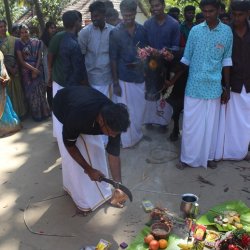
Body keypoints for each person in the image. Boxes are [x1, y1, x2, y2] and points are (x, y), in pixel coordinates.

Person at [53, 86, 130, 212]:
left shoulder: (115, 119)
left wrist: (118, 186)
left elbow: (114, 154)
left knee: (96, 152)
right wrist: (88, 169)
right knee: (75, 164)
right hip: (61, 105)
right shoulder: (77, 117)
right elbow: (70, 146)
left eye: (116, 133)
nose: (114, 136)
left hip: (80, 98)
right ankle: (82, 201)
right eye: (110, 132)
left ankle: (98, 194)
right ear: (101, 120)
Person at [178, 0, 233, 169]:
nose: (207, 15)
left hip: (213, 87)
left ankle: (208, 157)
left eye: (211, 11)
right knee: (190, 126)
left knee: (210, 126)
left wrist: (227, 88)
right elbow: (186, 58)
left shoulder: (226, 32)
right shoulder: (195, 31)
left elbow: (226, 61)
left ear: (218, 10)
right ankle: (187, 159)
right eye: (205, 11)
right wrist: (171, 81)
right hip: (194, 86)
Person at [109, 0, 147, 148]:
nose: (128, 18)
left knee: (140, 110)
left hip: (140, 77)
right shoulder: (115, 32)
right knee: (126, 112)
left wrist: (143, 64)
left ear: (135, 13)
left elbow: (147, 52)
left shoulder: (142, 30)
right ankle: (126, 141)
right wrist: (116, 82)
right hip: (123, 78)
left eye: (130, 15)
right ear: (121, 14)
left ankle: (137, 135)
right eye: (125, 15)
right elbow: (112, 58)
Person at [215, 0, 250, 161]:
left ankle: (242, 151)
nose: (236, 18)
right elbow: (220, 59)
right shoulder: (225, 32)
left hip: (248, 83)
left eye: (240, 15)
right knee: (229, 122)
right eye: (233, 15)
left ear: (248, 14)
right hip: (231, 83)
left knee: (246, 122)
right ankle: (227, 152)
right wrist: (224, 86)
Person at [143, 0, 180, 133]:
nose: (155, 8)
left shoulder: (174, 24)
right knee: (150, 93)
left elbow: (176, 46)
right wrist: (147, 51)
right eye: (152, 6)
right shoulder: (147, 24)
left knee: (165, 93)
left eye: (157, 5)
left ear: (164, 6)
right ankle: (149, 120)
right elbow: (143, 45)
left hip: (166, 65)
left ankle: (163, 122)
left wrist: (165, 51)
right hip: (151, 65)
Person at [48, 10, 86, 138]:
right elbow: (50, 56)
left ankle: (64, 137)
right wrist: (50, 74)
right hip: (60, 82)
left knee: (65, 112)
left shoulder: (76, 37)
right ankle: (62, 138)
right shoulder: (59, 37)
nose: (81, 23)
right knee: (61, 112)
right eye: (80, 21)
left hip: (70, 83)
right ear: (76, 23)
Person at [78, 1, 114, 97]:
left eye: (97, 16)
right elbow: (80, 57)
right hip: (92, 79)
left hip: (109, 78)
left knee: (109, 108)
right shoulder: (85, 32)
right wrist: (84, 81)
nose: (94, 19)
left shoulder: (113, 31)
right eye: (92, 16)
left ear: (104, 15)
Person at [15, 24, 50, 122]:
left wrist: (36, 68)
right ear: (19, 33)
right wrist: (33, 70)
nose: (24, 34)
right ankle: (36, 114)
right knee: (31, 94)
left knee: (41, 92)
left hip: (38, 69)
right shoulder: (18, 43)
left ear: (29, 31)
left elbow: (39, 56)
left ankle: (45, 112)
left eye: (26, 31)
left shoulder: (36, 42)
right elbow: (21, 61)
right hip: (26, 72)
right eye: (22, 32)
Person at [0, 20, 27, 119]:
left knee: (18, 91)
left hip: (16, 68)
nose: (3, 28)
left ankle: (21, 113)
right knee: (8, 93)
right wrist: (8, 68)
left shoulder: (15, 40)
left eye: (4, 26)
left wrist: (15, 67)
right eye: (0, 27)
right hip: (4, 71)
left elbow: (20, 54)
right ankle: (12, 116)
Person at [0, 51, 21, 137]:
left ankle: (9, 126)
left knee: (4, 104)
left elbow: (3, 66)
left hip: (2, 84)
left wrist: (6, 77)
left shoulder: (0, 52)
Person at [40, 21, 57, 110]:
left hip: (56, 63)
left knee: (56, 84)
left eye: (54, 27)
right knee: (49, 84)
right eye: (51, 28)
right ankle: (51, 106)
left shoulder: (57, 38)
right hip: (47, 64)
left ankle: (57, 103)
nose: (53, 29)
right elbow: (40, 54)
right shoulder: (43, 40)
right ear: (47, 29)